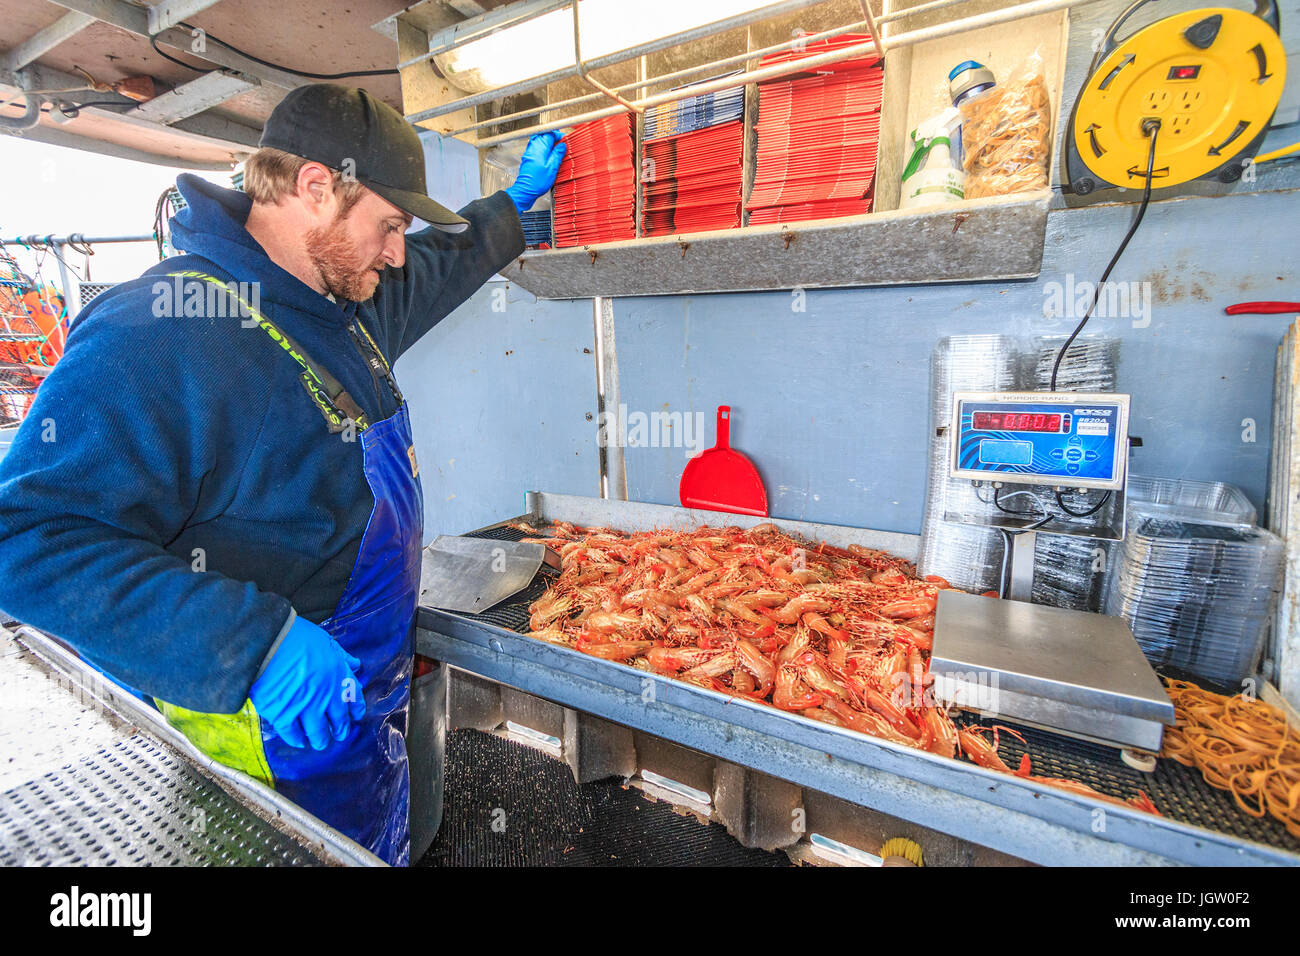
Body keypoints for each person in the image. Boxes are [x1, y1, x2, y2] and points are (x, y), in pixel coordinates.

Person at [0, 84, 566, 866]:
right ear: (314, 187)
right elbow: (27, 539)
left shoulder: (343, 300)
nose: (398, 252)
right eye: (389, 226)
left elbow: (442, 261)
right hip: (258, 745)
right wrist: (254, 645)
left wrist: (514, 203)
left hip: (362, 715)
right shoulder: (161, 332)